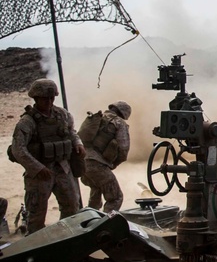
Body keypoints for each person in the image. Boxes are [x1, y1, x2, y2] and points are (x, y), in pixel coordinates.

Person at [10, 78, 85, 234]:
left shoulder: (62, 115)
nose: (49, 102)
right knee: (36, 213)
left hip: (63, 168)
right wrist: (37, 168)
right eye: (45, 98)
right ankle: (36, 247)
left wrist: (78, 143)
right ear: (36, 98)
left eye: (52, 98)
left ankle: (65, 237)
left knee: (72, 206)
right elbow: (19, 149)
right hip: (40, 173)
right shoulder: (27, 122)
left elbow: (71, 132)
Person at [81, 101, 131, 212]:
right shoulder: (119, 122)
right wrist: (114, 164)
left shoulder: (97, 118)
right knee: (116, 197)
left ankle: (89, 218)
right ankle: (105, 224)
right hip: (97, 164)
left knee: (96, 189)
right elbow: (123, 149)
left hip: (82, 163)